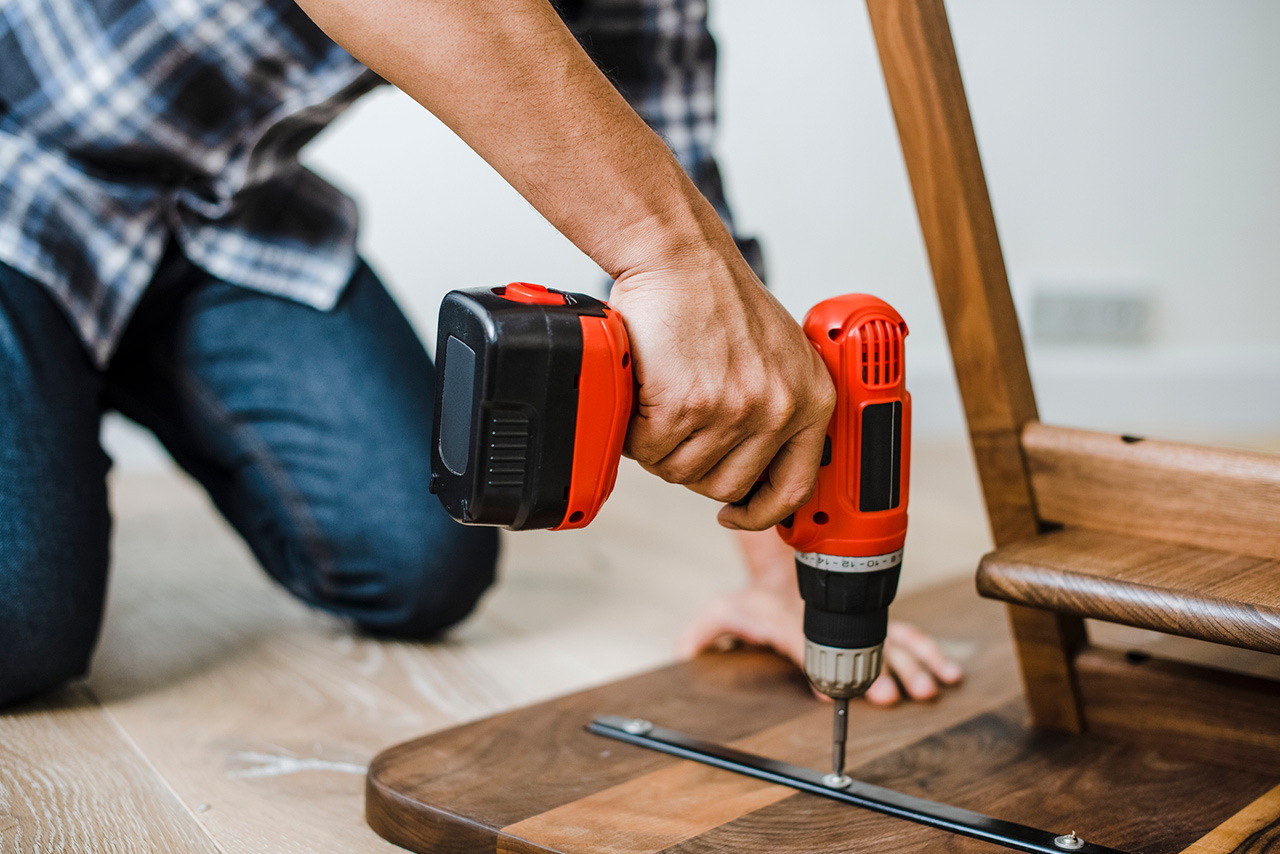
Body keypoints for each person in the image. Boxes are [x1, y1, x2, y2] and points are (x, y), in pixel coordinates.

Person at [0, 0, 955, 708]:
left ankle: (70, 376)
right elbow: (679, 249)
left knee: (420, 567)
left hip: (221, 217)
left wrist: (781, 575)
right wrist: (665, 252)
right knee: (20, 626)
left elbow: (695, 223)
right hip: (22, 163)